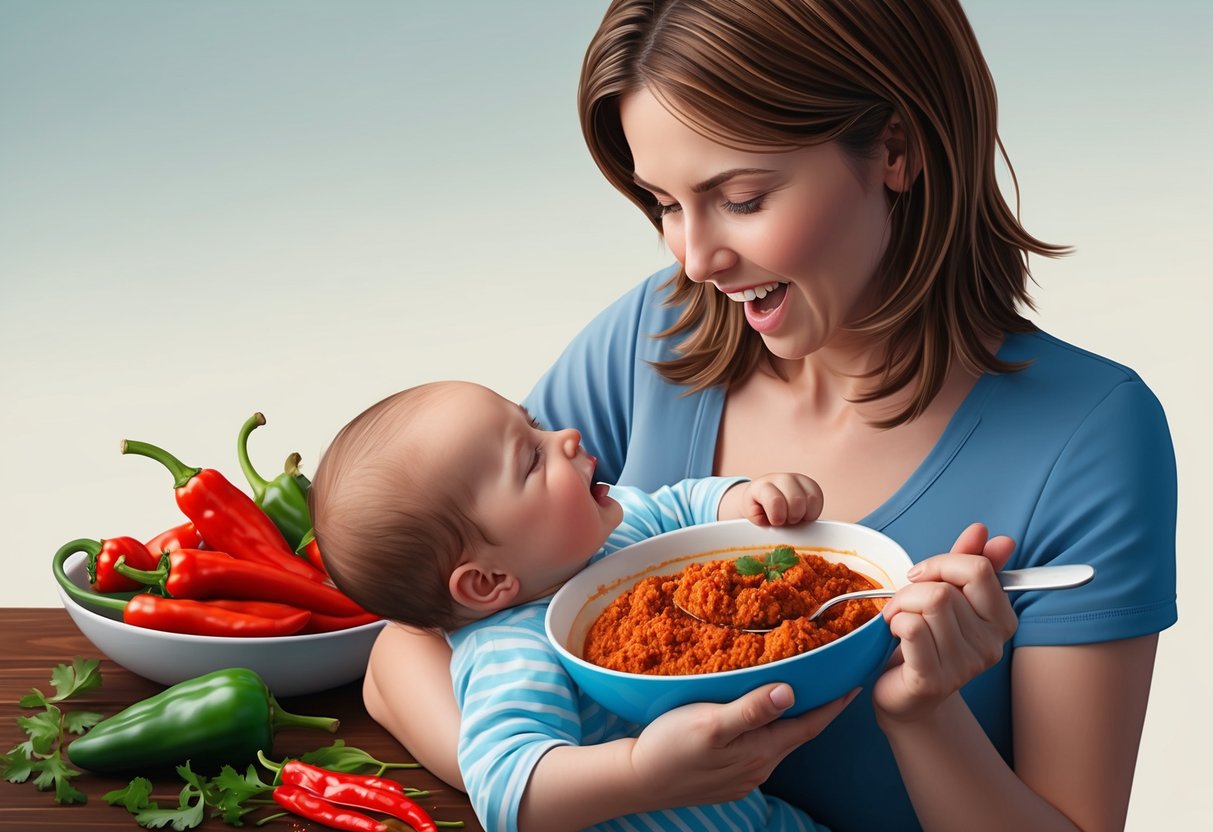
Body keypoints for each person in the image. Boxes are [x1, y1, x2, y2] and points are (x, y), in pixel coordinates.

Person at [362, 2, 1178, 830]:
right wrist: (594, 788)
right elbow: (403, 650)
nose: (693, 258)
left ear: (895, 149)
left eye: (742, 198)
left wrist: (923, 715)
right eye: (665, 204)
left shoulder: (1090, 437)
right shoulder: (655, 335)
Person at [310, 379, 843, 831]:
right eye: (530, 460)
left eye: (534, 424)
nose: (564, 438)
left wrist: (748, 500)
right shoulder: (512, 649)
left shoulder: (620, 525)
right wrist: (641, 774)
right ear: (489, 581)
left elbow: (681, 506)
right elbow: (507, 784)